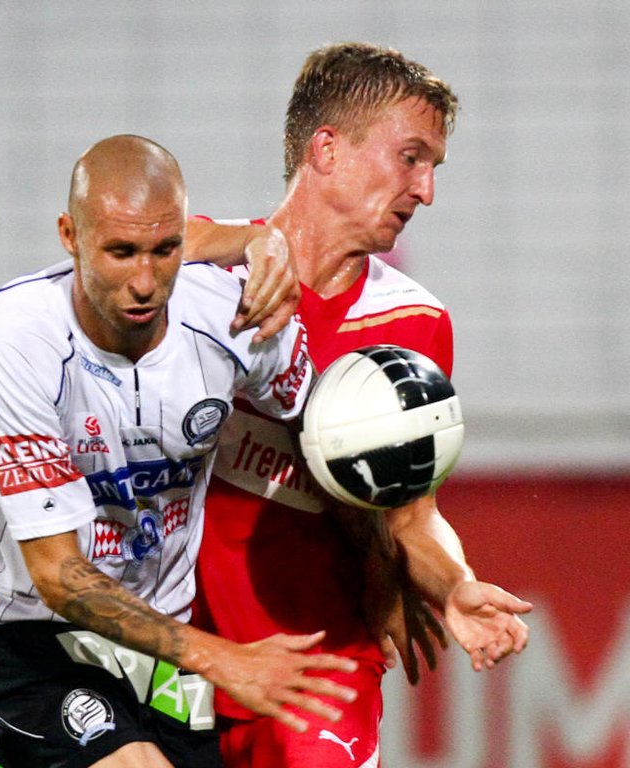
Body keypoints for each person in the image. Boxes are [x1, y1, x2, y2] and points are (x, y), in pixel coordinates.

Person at [0, 134, 363, 768]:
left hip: (156, 639)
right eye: (121, 252)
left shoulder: (235, 318)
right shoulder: (16, 340)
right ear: (69, 236)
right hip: (19, 628)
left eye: (165, 251)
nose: (145, 282)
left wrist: (419, 573)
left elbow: (331, 437)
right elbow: (58, 575)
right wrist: (224, 659)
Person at [187, 43, 533, 768]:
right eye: (411, 158)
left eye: (433, 166)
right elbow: (104, 256)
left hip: (322, 672)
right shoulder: (205, 276)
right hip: (179, 661)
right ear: (327, 149)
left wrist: (456, 587)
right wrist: (239, 243)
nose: (425, 190)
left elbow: (412, 516)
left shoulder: (415, 324)